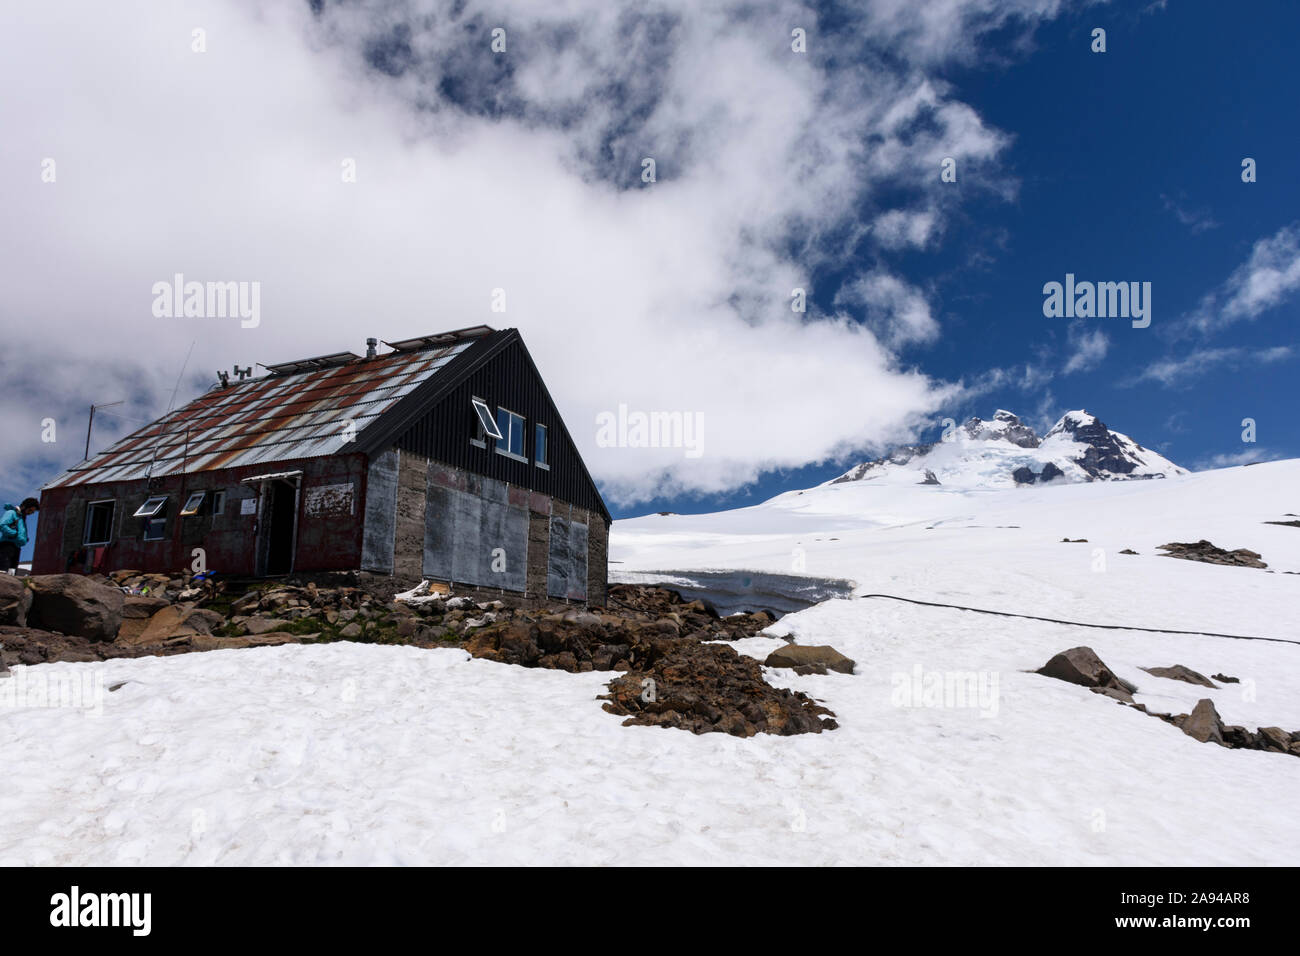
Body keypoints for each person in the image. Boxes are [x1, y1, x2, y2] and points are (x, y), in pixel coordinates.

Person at [0, 498, 39, 574]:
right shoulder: (11, 513)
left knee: (11, 572)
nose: (30, 513)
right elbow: (2, 525)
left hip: (16, 546)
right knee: (2, 570)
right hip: (7, 545)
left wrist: (24, 538)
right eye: (30, 510)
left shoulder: (21, 517)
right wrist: (14, 534)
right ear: (24, 507)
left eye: (32, 512)